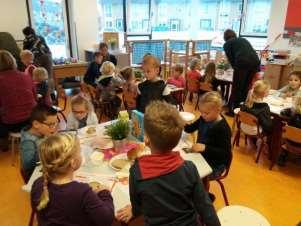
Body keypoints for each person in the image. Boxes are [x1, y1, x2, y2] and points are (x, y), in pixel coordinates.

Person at [117, 101, 221, 226]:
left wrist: (133, 210)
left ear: (146, 140)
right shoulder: (189, 168)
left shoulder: (137, 172)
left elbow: (138, 208)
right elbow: (206, 208)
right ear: (177, 141)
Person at [31, 133, 114, 226]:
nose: (81, 154)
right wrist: (105, 193)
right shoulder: (82, 192)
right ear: (73, 163)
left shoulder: (38, 183)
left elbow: (38, 213)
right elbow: (106, 219)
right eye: (79, 152)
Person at [184, 92, 232, 180]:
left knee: (189, 176)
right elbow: (190, 129)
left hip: (215, 164)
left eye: (206, 113)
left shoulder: (223, 129)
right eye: (201, 112)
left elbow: (225, 154)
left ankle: (201, 191)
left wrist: (205, 148)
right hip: (202, 156)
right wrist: (181, 124)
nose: (202, 115)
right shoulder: (203, 118)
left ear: (218, 110)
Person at [0, 50, 36, 151]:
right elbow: (35, 97)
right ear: (13, 61)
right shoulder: (26, 76)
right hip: (32, 119)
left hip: (12, 124)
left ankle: (3, 141)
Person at [223, 29, 260, 115]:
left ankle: (233, 111)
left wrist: (235, 69)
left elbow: (231, 60)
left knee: (237, 88)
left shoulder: (227, 44)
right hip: (255, 62)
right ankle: (242, 109)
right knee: (245, 87)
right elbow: (251, 52)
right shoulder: (243, 39)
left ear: (225, 37)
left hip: (242, 63)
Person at [20, 105, 58, 182]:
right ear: (36, 124)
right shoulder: (28, 142)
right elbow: (27, 164)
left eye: (55, 123)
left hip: (46, 165)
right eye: (50, 124)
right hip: (34, 175)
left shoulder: (42, 131)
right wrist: (47, 149)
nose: (53, 128)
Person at [22, 26, 53, 91]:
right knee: (49, 76)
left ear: (25, 33)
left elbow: (25, 52)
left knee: (37, 76)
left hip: (37, 57)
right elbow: (47, 47)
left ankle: (40, 92)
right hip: (48, 56)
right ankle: (51, 94)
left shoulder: (26, 39)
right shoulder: (40, 37)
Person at [278, 96, 301, 166]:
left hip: (288, 144)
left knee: (287, 132)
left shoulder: (293, 114)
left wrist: (292, 109)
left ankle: (283, 155)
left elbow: (282, 112)